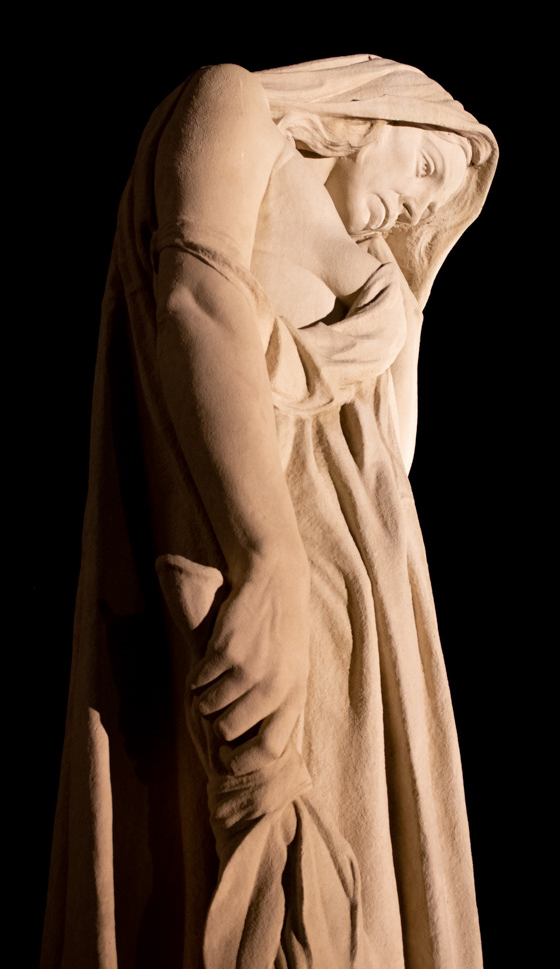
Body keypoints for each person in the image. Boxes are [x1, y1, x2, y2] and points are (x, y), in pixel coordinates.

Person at [41, 55, 498, 969]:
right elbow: (195, 297)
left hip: (373, 628)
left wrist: (404, 297)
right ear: (373, 108)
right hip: (253, 567)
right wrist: (266, 555)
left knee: (366, 894)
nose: (417, 205)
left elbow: (386, 469)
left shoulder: (385, 281)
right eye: (425, 168)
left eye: (433, 203)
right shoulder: (234, 104)